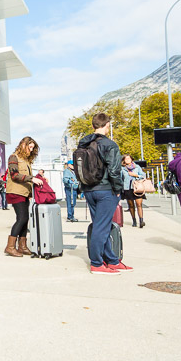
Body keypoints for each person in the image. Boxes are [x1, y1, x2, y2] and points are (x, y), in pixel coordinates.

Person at [75, 113, 129, 274]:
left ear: (93, 126)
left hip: (89, 190)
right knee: (102, 227)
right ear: (107, 125)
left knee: (100, 225)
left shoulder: (84, 143)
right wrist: (118, 189)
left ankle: (111, 260)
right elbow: (114, 171)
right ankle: (97, 263)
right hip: (106, 190)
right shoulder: (110, 145)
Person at [2, 137, 39, 257]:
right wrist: (32, 179)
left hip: (24, 193)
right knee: (22, 218)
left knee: (25, 218)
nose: (31, 149)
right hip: (15, 192)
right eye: (30, 146)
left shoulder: (26, 160)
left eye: (33, 147)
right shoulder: (14, 157)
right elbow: (14, 175)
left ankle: (22, 246)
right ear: (23, 144)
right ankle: (10, 246)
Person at [120, 154, 146, 228]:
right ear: (124, 160)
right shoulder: (122, 169)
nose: (128, 160)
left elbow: (143, 175)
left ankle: (141, 220)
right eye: (126, 159)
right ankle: (134, 220)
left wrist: (136, 175)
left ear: (131, 159)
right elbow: (121, 179)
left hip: (137, 187)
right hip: (128, 188)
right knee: (131, 205)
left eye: (129, 158)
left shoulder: (137, 167)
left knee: (139, 204)